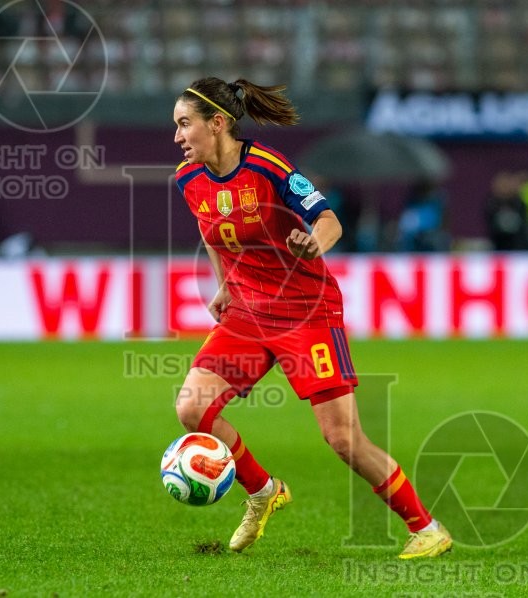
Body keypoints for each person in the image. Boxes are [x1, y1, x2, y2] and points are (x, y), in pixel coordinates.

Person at [172, 77, 452, 558]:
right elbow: (211, 229)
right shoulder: (188, 178)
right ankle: (263, 491)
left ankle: (426, 528)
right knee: (192, 409)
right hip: (247, 313)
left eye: (184, 124)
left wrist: (313, 244)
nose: (177, 136)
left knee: (343, 439)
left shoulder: (268, 166)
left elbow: (328, 220)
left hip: (305, 312)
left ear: (216, 124)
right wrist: (225, 284)